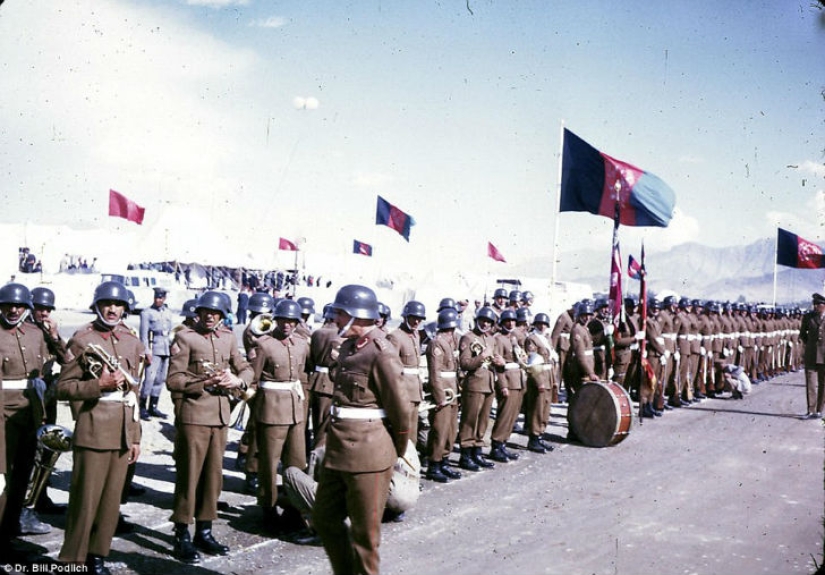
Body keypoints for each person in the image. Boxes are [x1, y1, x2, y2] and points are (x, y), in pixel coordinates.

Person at [312, 284, 411, 575]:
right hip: (338, 449)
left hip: (370, 454)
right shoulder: (347, 347)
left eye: (340, 314)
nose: (335, 319)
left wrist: (396, 449)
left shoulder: (382, 352)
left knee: (365, 535)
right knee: (324, 518)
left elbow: (401, 410)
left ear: (357, 315)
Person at [56, 281, 144, 575]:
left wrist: (135, 437)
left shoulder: (132, 341)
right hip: (93, 429)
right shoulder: (83, 339)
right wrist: (99, 385)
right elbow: (63, 388)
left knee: (110, 503)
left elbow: (134, 394)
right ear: (97, 306)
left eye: (118, 305)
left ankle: (97, 556)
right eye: (107, 303)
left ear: (125, 309)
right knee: (85, 501)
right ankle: (71, 561)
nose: (112, 309)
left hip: (122, 431)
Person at [166, 291, 253, 564]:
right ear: (198, 312)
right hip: (193, 416)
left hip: (220, 416)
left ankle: (204, 530)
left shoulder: (228, 337)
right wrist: (204, 383)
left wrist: (237, 381)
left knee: (213, 478)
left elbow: (246, 367)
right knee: (189, 476)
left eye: (215, 313)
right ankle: (181, 533)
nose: (210, 316)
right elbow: (174, 380)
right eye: (205, 311)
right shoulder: (186, 337)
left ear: (223, 315)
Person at [0, 283, 53, 563]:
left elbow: (48, 368)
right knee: (1, 479)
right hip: (2, 414)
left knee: (22, 476)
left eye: (19, 305)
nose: (13, 310)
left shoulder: (36, 333)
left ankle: (8, 537)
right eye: (8, 305)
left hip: (30, 414)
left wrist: (55, 336)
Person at [251, 299, 310, 532]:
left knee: (297, 462)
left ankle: (294, 507)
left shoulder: (301, 344)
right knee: (269, 463)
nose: (287, 325)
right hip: (271, 410)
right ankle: (268, 507)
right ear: (276, 320)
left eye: (292, 321)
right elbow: (253, 379)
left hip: (295, 410)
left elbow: (302, 374)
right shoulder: (264, 345)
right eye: (283, 320)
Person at [27, 286, 73, 514]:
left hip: (47, 397)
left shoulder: (49, 333)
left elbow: (68, 361)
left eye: (48, 309)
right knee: (29, 452)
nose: (44, 313)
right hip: (27, 398)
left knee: (47, 448)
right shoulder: (21, 330)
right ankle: (26, 505)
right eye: (39, 308)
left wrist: (55, 336)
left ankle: (41, 496)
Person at [456, 306, 503, 471]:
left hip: (489, 383)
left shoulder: (491, 339)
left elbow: (493, 361)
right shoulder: (468, 338)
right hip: (475, 384)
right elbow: (464, 363)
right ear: (477, 320)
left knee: (483, 421)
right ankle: (465, 455)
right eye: (482, 320)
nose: (485, 324)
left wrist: (499, 362)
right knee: (470, 420)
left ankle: (477, 452)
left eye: (489, 322)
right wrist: (482, 357)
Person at [423, 308, 462, 482]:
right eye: (451, 330)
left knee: (451, 430)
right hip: (444, 393)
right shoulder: (436, 343)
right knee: (439, 430)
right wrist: (440, 397)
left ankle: (444, 461)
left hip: (452, 392)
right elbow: (435, 373)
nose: (452, 333)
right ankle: (434, 464)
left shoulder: (450, 344)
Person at [387, 301, 426, 449]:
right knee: (402, 431)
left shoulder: (416, 336)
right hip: (403, 391)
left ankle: (410, 458)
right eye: (414, 318)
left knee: (412, 431)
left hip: (415, 391)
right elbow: (391, 367)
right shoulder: (395, 336)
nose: (417, 322)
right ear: (405, 317)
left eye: (420, 319)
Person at [488, 309, 525, 462]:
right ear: (502, 323)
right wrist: (503, 385)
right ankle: (496, 446)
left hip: (517, 380)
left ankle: (503, 443)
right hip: (508, 381)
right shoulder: (498, 339)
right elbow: (497, 365)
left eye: (513, 321)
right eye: (507, 321)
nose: (510, 324)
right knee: (504, 415)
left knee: (512, 415)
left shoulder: (513, 338)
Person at [307, 304, 341, 449]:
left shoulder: (317, 333)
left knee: (316, 420)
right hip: (331, 382)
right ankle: (318, 454)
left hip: (316, 379)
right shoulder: (339, 335)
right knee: (324, 425)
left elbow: (310, 358)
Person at [139, 287, 174, 420]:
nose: (158, 300)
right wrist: (146, 351)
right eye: (156, 297)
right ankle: (142, 406)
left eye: (160, 298)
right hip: (154, 349)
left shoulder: (168, 312)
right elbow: (144, 335)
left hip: (166, 349)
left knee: (161, 379)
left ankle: (153, 406)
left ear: (164, 298)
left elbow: (170, 332)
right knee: (149, 378)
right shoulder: (147, 313)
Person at [523, 313, 555, 453]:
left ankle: (541, 435)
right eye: (539, 324)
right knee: (537, 408)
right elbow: (532, 362)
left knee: (545, 408)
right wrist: (539, 381)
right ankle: (534, 438)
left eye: (544, 324)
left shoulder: (546, 338)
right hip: (539, 376)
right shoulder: (532, 339)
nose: (542, 326)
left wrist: (554, 380)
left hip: (549, 375)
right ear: (535, 324)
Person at [799, 293, 825, 420]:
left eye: (818, 305)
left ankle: (819, 410)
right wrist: (810, 345)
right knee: (810, 383)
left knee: (823, 384)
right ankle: (811, 410)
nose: (815, 307)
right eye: (814, 305)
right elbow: (802, 334)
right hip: (811, 355)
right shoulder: (808, 317)